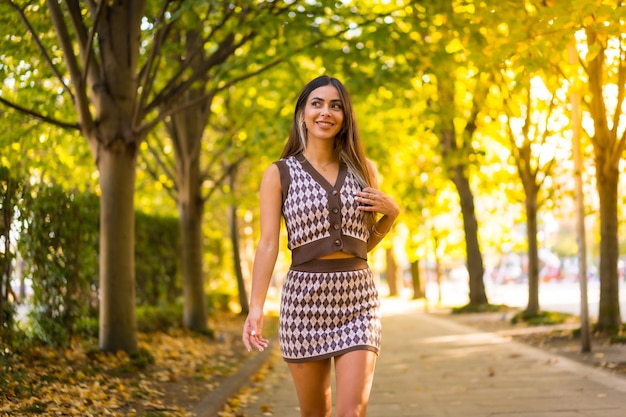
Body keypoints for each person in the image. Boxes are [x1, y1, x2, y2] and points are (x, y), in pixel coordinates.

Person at [242, 75, 400, 417]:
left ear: (345, 117)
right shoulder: (279, 173)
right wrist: (256, 308)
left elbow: (363, 244)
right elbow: (268, 244)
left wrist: (390, 217)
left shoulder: (364, 171)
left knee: (351, 413)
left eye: (335, 105)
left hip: (359, 301)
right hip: (304, 303)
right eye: (317, 103)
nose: (325, 112)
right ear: (302, 113)